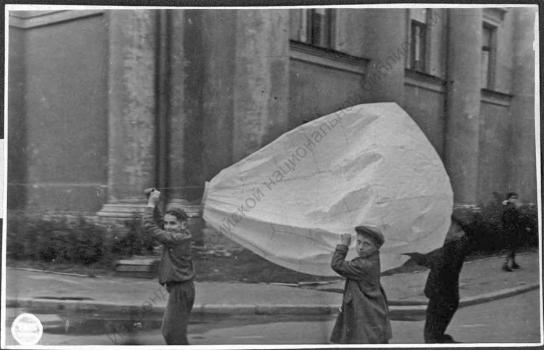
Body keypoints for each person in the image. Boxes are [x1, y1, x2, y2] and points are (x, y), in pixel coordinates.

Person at [405, 216, 473, 343]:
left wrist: (411, 252)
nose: (444, 230)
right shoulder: (453, 245)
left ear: (457, 229)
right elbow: (431, 260)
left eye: (449, 227)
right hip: (444, 298)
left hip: (442, 300)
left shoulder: (455, 247)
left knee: (432, 339)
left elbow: (432, 260)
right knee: (436, 337)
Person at [144, 188, 195, 345]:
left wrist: (151, 204)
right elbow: (159, 223)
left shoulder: (178, 238)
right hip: (181, 289)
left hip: (181, 290)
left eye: (172, 223)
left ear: (183, 224)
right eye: (166, 223)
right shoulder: (178, 235)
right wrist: (153, 202)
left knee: (171, 333)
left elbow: (149, 226)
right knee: (174, 334)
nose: (168, 226)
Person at [330, 226, 392, 344]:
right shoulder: (370, 260)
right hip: (368, 311)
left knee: (363, 341)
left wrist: (344, 245)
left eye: (366, 244)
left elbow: (337, 264)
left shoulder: (365, 265)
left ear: (376, 247)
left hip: (365, 313)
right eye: (358, 242)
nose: (361, 247)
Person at [502, 192, 522, 272]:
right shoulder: (510, 208)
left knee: (513, 247)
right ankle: (505, 264)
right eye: (513, 197)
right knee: (511, 247)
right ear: (509, 199)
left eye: (516, 197)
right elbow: (508, 220)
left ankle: (513, 263)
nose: (515, 199)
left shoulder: (510, 206)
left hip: (512, 229)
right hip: (510, 230)